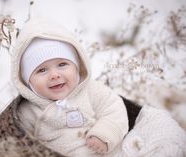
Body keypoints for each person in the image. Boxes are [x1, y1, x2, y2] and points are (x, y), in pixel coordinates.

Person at [7, 17, 129, 157]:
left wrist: (104, 135)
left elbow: (114, 109)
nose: (54, 75)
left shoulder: (91, 90)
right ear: (28, 82)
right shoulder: (27, 111)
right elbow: (20, 142)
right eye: (42, 70)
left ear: (77, 66)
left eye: (62, 64)